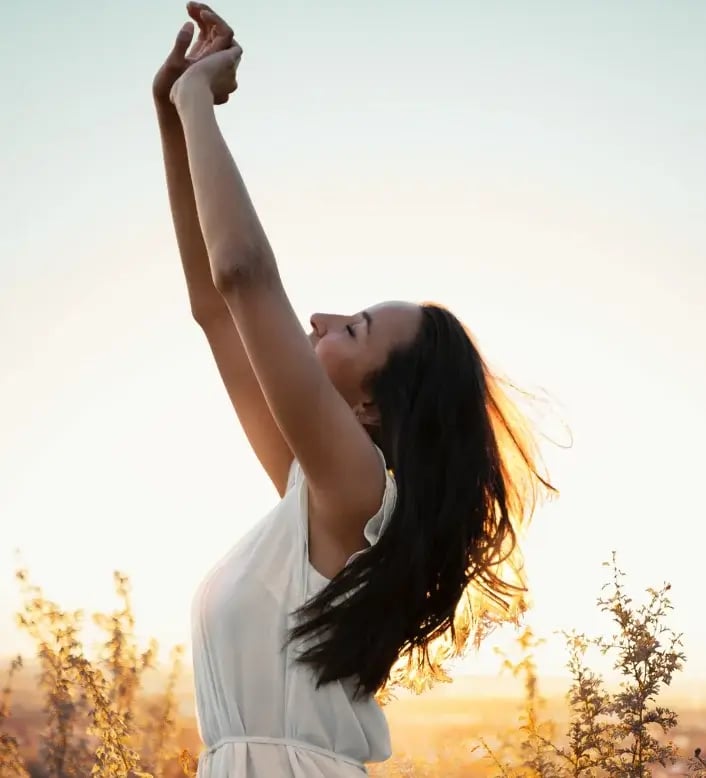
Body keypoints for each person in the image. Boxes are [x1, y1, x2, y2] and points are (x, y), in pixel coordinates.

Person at [153, 4, 555, 775]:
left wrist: (200, 100)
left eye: (356, 329)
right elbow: (215, 307)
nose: (321, 316)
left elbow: (243, 277)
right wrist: (174, 117)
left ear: (372, 404)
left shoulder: (358, 492)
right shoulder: (318, 494)